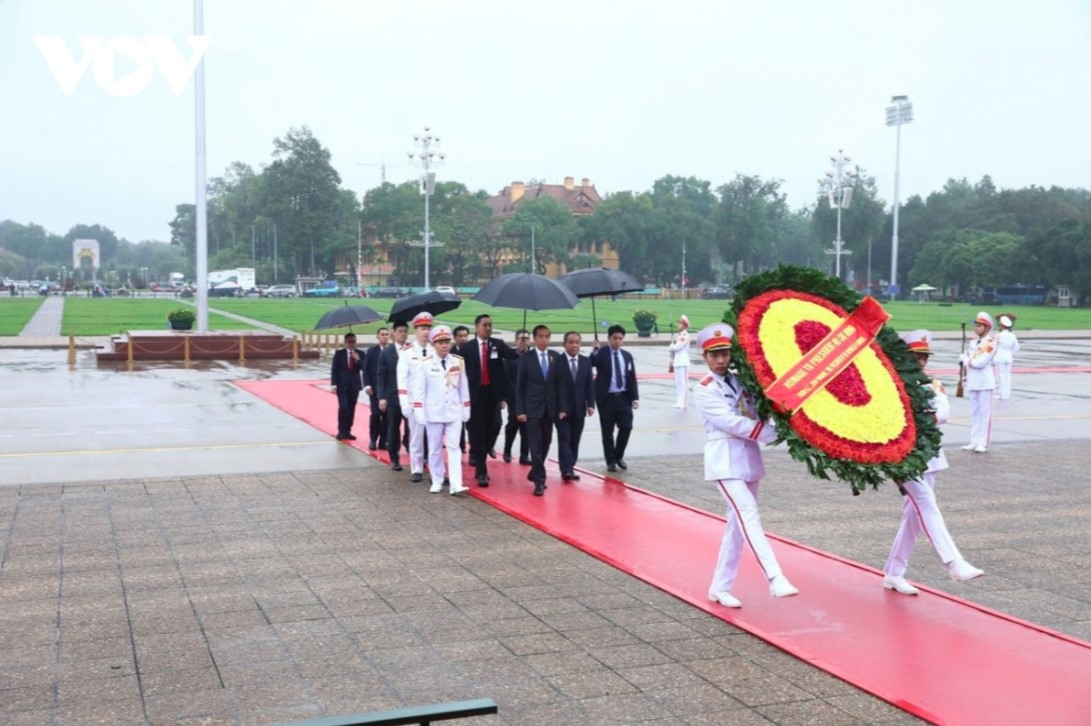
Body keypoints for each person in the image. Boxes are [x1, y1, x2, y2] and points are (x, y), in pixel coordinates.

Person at [692, 322, 798, 608]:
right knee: (748, 514)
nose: (721, 359)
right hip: (724, 460)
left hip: (748, 460)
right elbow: (733, 422)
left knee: (736, 528)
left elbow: (760, 411)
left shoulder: (742, 381)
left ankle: (719, 587)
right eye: (714, 355)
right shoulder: (703, 390)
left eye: (725, 353)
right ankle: (775, 577)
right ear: (705, 357)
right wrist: (779, 435)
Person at [883, 330, 985, 595]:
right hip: (902, 457)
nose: (921, 362)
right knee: (926, 503)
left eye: (924, 357)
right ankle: (954, 562)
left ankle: (894, 572)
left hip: (928, 455)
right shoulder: (890, 384)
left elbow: (943, 413)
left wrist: (920, 414)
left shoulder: (931, 384)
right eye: (916, 357)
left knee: (913, 518)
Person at [457, 314, 519, 486]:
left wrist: (520, 349)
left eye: (490, 325)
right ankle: (482, 470)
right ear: (477, 327)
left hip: (492, 394)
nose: (488, 328)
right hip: (475, 396)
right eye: (485, 325)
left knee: (494, 426)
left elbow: (512, 355)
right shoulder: (466, 348)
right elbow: (460, 373)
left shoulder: (497, 344)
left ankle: (484, 450)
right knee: (478, 433)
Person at [411, 325, 471, 495]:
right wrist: (419, 411)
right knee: (435, 448)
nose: (445, 345)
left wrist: (465, 408)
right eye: (440, 342)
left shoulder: (458, 361)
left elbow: (463, 387)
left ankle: (455, 483)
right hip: (434, 412)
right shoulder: (425, 363)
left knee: (454, 448)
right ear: (433, 344)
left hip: (453, 412)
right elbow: (419, 390)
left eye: (447, 342)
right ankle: (437, 479)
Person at [516, 325, 568, 496]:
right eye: (541, 336)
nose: (544, 340)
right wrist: (520, 410)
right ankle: (539, 480)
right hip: (532, 409)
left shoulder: (556, 357)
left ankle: (534, 472)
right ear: (534, 338)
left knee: (546, 443)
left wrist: (562, 407)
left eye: (547, 336)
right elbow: (520, 387)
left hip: (550, 408)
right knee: (535, 445)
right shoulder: (526, 358)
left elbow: (561, 384)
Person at [592, 325, 639, 473]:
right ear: (609, 338)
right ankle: (610, 460)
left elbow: (631, 377)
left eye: (620, 339)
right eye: (615, 338)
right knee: (607, 431)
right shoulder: (601, 353)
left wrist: (635, 397)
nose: (617, 341)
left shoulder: (626, 355)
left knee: (626, 426)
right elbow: (590, 364)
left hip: (624, 397)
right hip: (606, 398)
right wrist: (594, 351)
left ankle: (619, 455)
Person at [398, 312, 434, 482]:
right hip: (415, 402)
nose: (426, 332)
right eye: (422, 328)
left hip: (433, 401)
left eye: (428, 328)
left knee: (435, 437)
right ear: (416, 330)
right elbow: (402, 379)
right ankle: (417, 467)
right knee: (417, 437)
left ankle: (436, 469)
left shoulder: (435, 349)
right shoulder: (407, 352)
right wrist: (404, 402)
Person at [556, 331, 595, 481]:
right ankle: (565, 470)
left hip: (579, 409)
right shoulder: (558, 362)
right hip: (562, 410)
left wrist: (590, 404)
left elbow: (589, 385)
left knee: (574, 440)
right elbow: (555, 387)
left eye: (577, 342)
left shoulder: (586, 362)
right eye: (571, 342)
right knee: (564, 439)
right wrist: (558, 408)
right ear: (564, 344)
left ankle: (570, 466)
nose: (574, 345)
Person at [959, 311, 997, 453]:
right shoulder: (973, 343)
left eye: (980, 326)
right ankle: (974, 440)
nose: (977, 328)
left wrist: (966, 360)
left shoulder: (991, 343)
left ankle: (983, 442)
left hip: (985, 382)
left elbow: (981, 363)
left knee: (985, 413)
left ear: (986, 328)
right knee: (974, 412)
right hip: (973, 381)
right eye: (976, 325)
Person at [377, 321, 410, 471]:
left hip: (410, 395)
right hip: (393, 395)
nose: (403, 334)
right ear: (394, 334)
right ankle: (394, 457)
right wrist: (382, 397)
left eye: (405, 331)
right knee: (393, 427)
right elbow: (381, 376)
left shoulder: (412, 350)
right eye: (400, 331)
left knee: (412, 427)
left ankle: (413, 451)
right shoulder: (387, 353)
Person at [502, 329, 531, 465]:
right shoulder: (510, 357)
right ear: (516, 340)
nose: (523, 341)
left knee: (527, 427)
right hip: (514, 397)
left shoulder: (532, 357)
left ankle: (524, 455)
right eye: (521, 338)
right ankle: (507, 450)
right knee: (513, 424)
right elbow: (507, 379)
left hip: (529, 398)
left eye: (526, 338)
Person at [330, 332, 363, 441]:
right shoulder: (339, 354)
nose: (352, 344)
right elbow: (334, 370)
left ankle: (348, 430)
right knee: (343, 407)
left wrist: (357, 360)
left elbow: (364, 367)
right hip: (342, 386)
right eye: (349, 342)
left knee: (351, 409)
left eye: (353, 341)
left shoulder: (360, 353)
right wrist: (333, 384)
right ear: (345, 343)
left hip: (354, 386)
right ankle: (341, 430)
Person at [361, 327, 390, 450]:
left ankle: (384, 441)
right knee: (375, 414)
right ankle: (373, 439)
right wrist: (367, 385)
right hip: (374, 390)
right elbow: (366, 369)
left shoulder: (392, 351)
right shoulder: (371, 351)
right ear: (377, 336)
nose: (384, 336)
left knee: (387, 417)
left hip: (388, 390)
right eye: (382, 334)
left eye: (386, 334)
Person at [452, 325, 471, 454]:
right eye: (460, 336)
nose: (463, 338)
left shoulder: (473, 350)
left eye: (465, 336)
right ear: (455, 338)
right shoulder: (449, 352)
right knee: (458, 421)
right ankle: (460, 445)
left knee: (470, 420)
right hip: (454, 391)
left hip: (470, 389)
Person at [667, 314, 692, 408]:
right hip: (678, 361)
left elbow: (678, 347)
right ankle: (679, 401)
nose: (678, 325)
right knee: (678, 383)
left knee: (683, 383)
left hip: (683, 361)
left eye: (680, 323)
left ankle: (684, 403)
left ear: (684, 325)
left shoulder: (685, 335)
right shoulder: (680, 335)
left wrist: (671, 347)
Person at [994, 313, 1020, 400]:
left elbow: (993, 346)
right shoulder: (1012, 335)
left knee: (1000, 376)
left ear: (1002, 325)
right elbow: (1016, 347)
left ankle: (1001, 394)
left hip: (999, 357)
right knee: (1007, 376)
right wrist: (1009, 352)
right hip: (1008, 357)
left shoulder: (998, 335)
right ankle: (1007, 394)